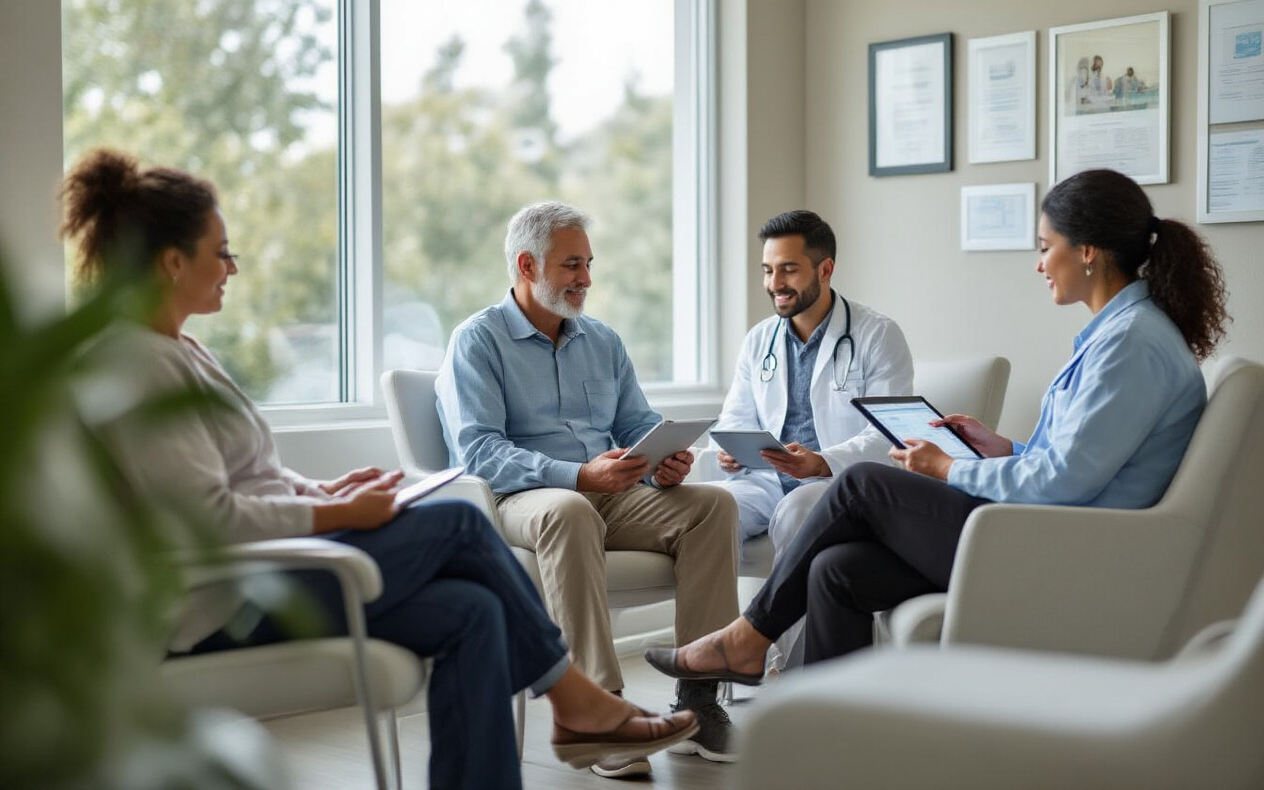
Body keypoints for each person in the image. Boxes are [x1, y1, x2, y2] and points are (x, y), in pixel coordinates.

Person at [61, 149, 697, 790]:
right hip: (222, 598)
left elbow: (246, 476)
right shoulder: (134, 362)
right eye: (220, 251)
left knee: (474, 611)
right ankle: (578, 702)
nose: (231, 267)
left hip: (272, 568)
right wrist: (337, 513)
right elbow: (208, 517)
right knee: (455, 524)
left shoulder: (182, 350)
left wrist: (324, 488)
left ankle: (559, 723)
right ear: (173, 261)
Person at [644, 167, 1230, 681]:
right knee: (835, 569)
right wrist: (1001, 446)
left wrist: (949, 467)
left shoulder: (1129, 344)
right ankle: (829, 742)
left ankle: (745, 641)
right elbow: (1079, 460)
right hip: (1052, 526)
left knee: (858, 484)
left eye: (1045, 246)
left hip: (1061, 546)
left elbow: (1066, 483)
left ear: (1088, 251)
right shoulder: (1122, 336)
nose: (1038, 262)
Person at [435, 200, 741, 776]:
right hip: (520, 500)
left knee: (712, 506)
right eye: (571, 266)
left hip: (607, 492)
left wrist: (661, 462)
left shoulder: (603, 341)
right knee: (571, 510)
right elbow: (479, 452)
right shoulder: (476, 342)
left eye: (588, 264)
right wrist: (576, 475)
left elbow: (634, 428)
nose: (586, 279)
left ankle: (699, 698)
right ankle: (597, 714)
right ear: (527, 266)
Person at [710, 210, 912, 672]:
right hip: (763, 477)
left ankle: (795, 672)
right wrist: (730, 449)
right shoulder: (759, 339)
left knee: (801, 509)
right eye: (767, 270)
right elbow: (737, 414)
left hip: (833, 485)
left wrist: (821, 462)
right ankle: (711, 676)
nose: (774, 283)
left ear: (825, 269)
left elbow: (889, 435)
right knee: (711, 513)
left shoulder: (877, 334)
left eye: (788, 269)